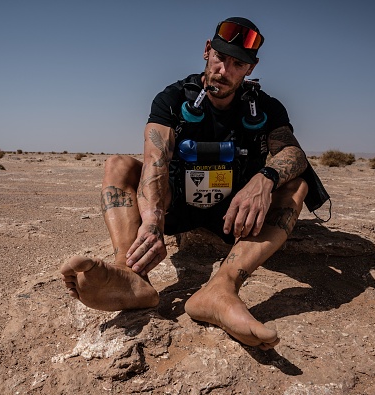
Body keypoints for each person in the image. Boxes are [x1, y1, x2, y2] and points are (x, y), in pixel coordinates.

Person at [61, 17, 328, 350]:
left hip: (235, 216)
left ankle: (221, 290)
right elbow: (154, 160)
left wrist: (265, 178)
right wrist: (154, 221)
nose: (224, 69)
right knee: (118, 165)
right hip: (177, 207)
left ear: (250, 68)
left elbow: (293, 154)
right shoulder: (173, 99)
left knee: (297, 185)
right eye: (219, 57)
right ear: (206, 51)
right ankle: (129, 274)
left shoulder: (266, 108)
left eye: (237, 64)